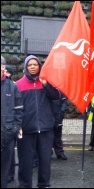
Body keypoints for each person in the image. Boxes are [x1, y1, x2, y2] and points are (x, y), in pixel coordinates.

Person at [15, 55, 61, 188]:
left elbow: (56, 96)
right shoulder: (18, 85)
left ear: (39, 66)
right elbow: (16, 107)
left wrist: (46, 85)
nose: (33, 67)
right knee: (25, 162)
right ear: (26, 67)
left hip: (46, 129)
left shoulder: (46, 82)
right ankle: (24, 185)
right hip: (26, 130)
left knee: (45, 161)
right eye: (30, 65)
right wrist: (18, 125)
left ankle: (44, 184)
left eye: (35, 64)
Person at [1, 56, 23, 188]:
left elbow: (19, 110)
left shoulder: (12, 87)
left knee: (4, 172)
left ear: (3, 67)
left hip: (7, 135)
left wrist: (14, 129)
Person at [52, 94, 68, 160]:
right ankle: (48, 152)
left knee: (57, 135)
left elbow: (64, 101)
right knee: (47, 136)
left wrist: (61, 111)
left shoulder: (60, 89)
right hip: (47, 114)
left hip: (58, 115)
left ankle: (60, 153)